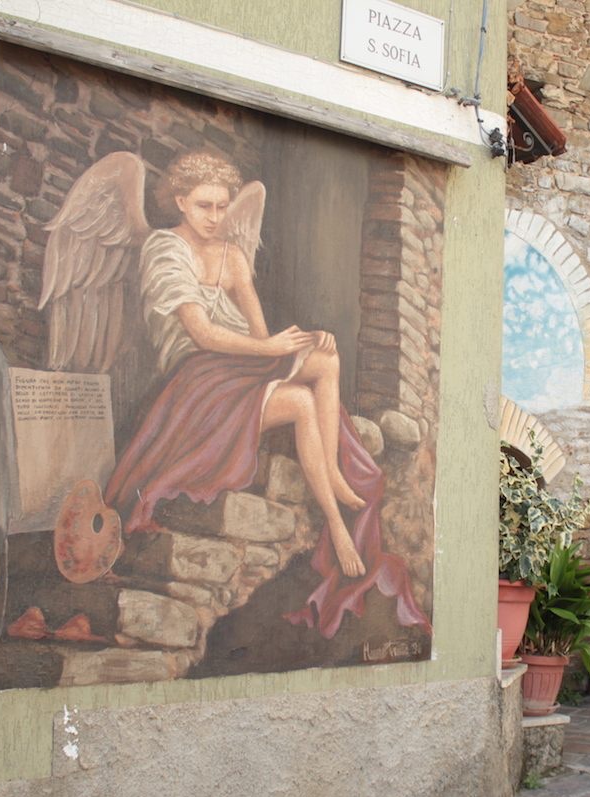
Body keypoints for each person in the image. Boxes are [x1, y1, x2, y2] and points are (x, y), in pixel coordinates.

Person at [104, 151, 430, 638]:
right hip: (197, 381)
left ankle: (338, 475)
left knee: (325, 355)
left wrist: (294, 346)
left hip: (241, 364)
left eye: (221, 207)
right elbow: (203, 335)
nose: (215, 218)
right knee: (299, 401)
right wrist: (270, 347)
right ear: (180, 203)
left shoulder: (232, 256)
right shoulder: (164, 249)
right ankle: (336, 524)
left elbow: (258, 332)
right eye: (203, 206)